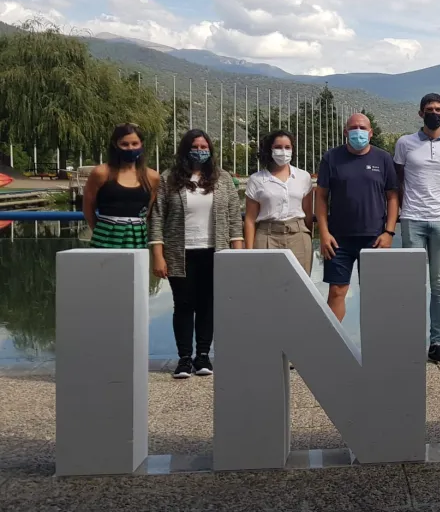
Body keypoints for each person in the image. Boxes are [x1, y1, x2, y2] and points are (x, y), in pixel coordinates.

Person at [150, 130, 243, 379]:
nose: (200, 150)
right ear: (185, 149)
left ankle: (202, 356)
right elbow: (157, 217)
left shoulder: (222, 178)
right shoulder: (169, 178)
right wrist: (157, 255)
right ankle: (183, 359)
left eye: (204, 146)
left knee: (207, 305)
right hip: (180, 252)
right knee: (183, 304)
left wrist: (237, 252)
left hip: (215, 251)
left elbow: (234, 217)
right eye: (195, 146)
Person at [394, 94, 440, 365]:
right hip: (412, 218)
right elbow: (399, 178)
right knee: (412, 282)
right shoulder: (405, 143)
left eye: (438, 109)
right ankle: (411, 340)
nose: (434, 113)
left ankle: (436, 342)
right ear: (420, 113)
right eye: (429, 110)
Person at [315, 113, 398, 324]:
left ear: (370, 133)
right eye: (353, 127)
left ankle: (375, 348)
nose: (358, 131)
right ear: (345, 132)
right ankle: (333, 346)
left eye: (362, 128)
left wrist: (389, 232)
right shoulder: (331, 158)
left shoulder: (383, 158)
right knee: (336, 292)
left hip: (375, 238)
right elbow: (321, 197)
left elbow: (392, 197)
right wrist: (323, 233)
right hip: (338, 240)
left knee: (374, 295)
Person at [244, 130, 314, 274]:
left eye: (287, 147)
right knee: (266, 285)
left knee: (301, 286)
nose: (283, 151)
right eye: (278, 147)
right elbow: (250, 220)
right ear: (270, 149)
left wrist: (307, 236)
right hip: (267, 236)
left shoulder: (303, 177)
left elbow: (308, 214)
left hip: (298, 236)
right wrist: (249, 251)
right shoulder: (256, 180)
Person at [82, 123, 159, 249]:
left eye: (135, 144)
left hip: (137, 237)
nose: (130, 148)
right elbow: (88, 208)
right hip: (104, 236)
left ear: (142, 144)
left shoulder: (152, 177)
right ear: (115, 145)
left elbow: (149, 211)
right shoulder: (101, 173)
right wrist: (100, 230)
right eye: (124, 144)